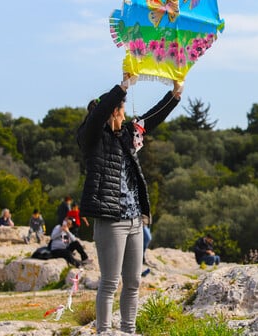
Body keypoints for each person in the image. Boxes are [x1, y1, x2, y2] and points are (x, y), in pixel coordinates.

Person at [77, 74, 182, 334]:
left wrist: (174, 95)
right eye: (121, 112)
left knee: (133, 281)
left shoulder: (127, 136)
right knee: (110, 282)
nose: (125, 117)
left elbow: (152, 118)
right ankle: (104, 331)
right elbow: (97, 115)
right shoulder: (92, 138)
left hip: (135, 219)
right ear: (112, 113)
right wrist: (122, 88)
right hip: (111, 219)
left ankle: (128, 330)